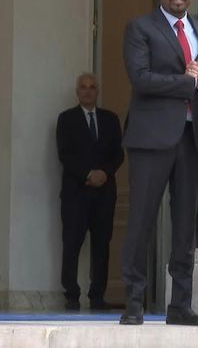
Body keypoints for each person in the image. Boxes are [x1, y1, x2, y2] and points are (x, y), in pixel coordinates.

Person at [119, 0, 198, 326]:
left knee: (185, 225)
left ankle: (181, 305)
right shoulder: (140, 28)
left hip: (192, 139)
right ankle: (134, 302)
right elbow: (141, 79)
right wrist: (190, 83)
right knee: (141, 220)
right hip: (150, 139)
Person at [56, 73, 123, 311]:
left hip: (104, 194)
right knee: (72, 244)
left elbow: (118, 153)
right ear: (77, 91)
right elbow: (65, 154)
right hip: (76, 193)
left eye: (92, 87)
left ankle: (98, 296)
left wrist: (103, 173)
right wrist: (88, 174)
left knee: (101, 246)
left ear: (97, 91)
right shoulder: (66, 119)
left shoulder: (111, 119)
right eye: (83, 87)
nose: (87, 91)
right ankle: (71, 295)